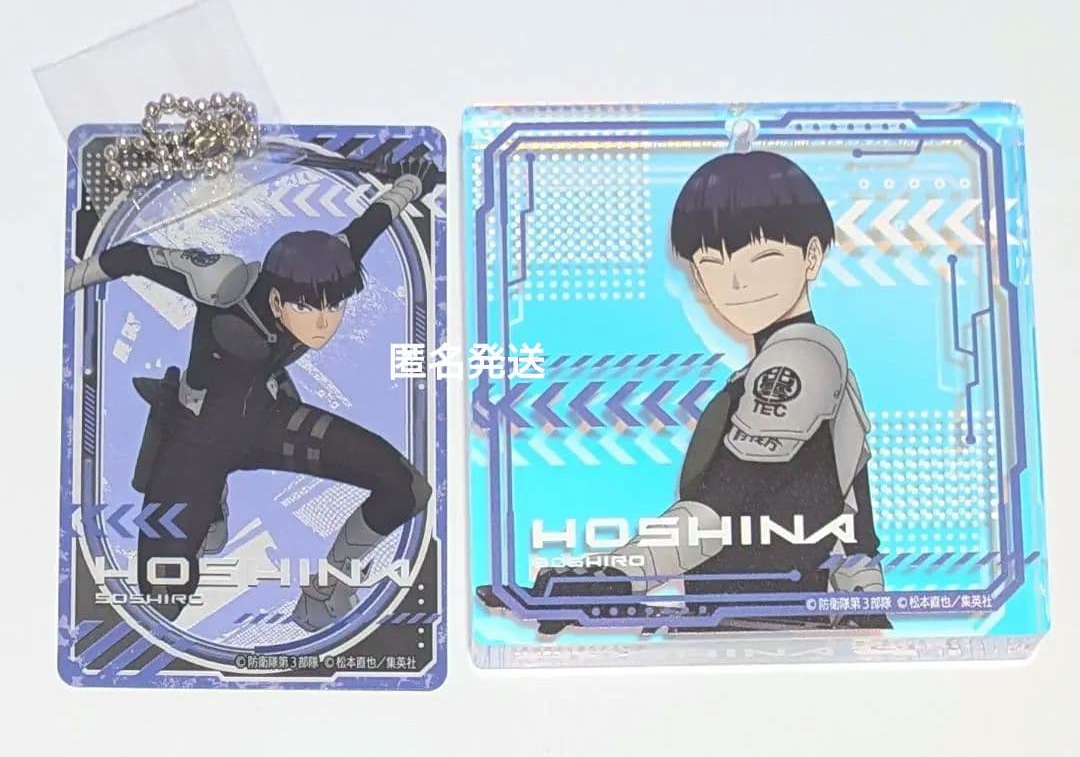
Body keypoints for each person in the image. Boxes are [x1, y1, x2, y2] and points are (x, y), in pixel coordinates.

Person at [478, 149, 889, 633]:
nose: (736, 282)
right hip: (766, 627)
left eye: (763, 257)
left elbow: (724, 506)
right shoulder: (779, 365)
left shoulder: (801, 357)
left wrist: (613, 577)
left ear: (812, 255)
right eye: (712, 262)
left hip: (785, 630)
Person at [66, 159, 438, 630]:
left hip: (267, 420)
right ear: (278, 300)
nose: (324, 322)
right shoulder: (222, 283)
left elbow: (374, 219)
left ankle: (326, 588)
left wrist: (410, 182)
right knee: (163, 595)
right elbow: (134, 257)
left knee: (405, 488)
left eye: (335, 305)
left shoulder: (332, 263)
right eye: (308, 307)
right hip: (194, 438)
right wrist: (61, 285)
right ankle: (209, 507)